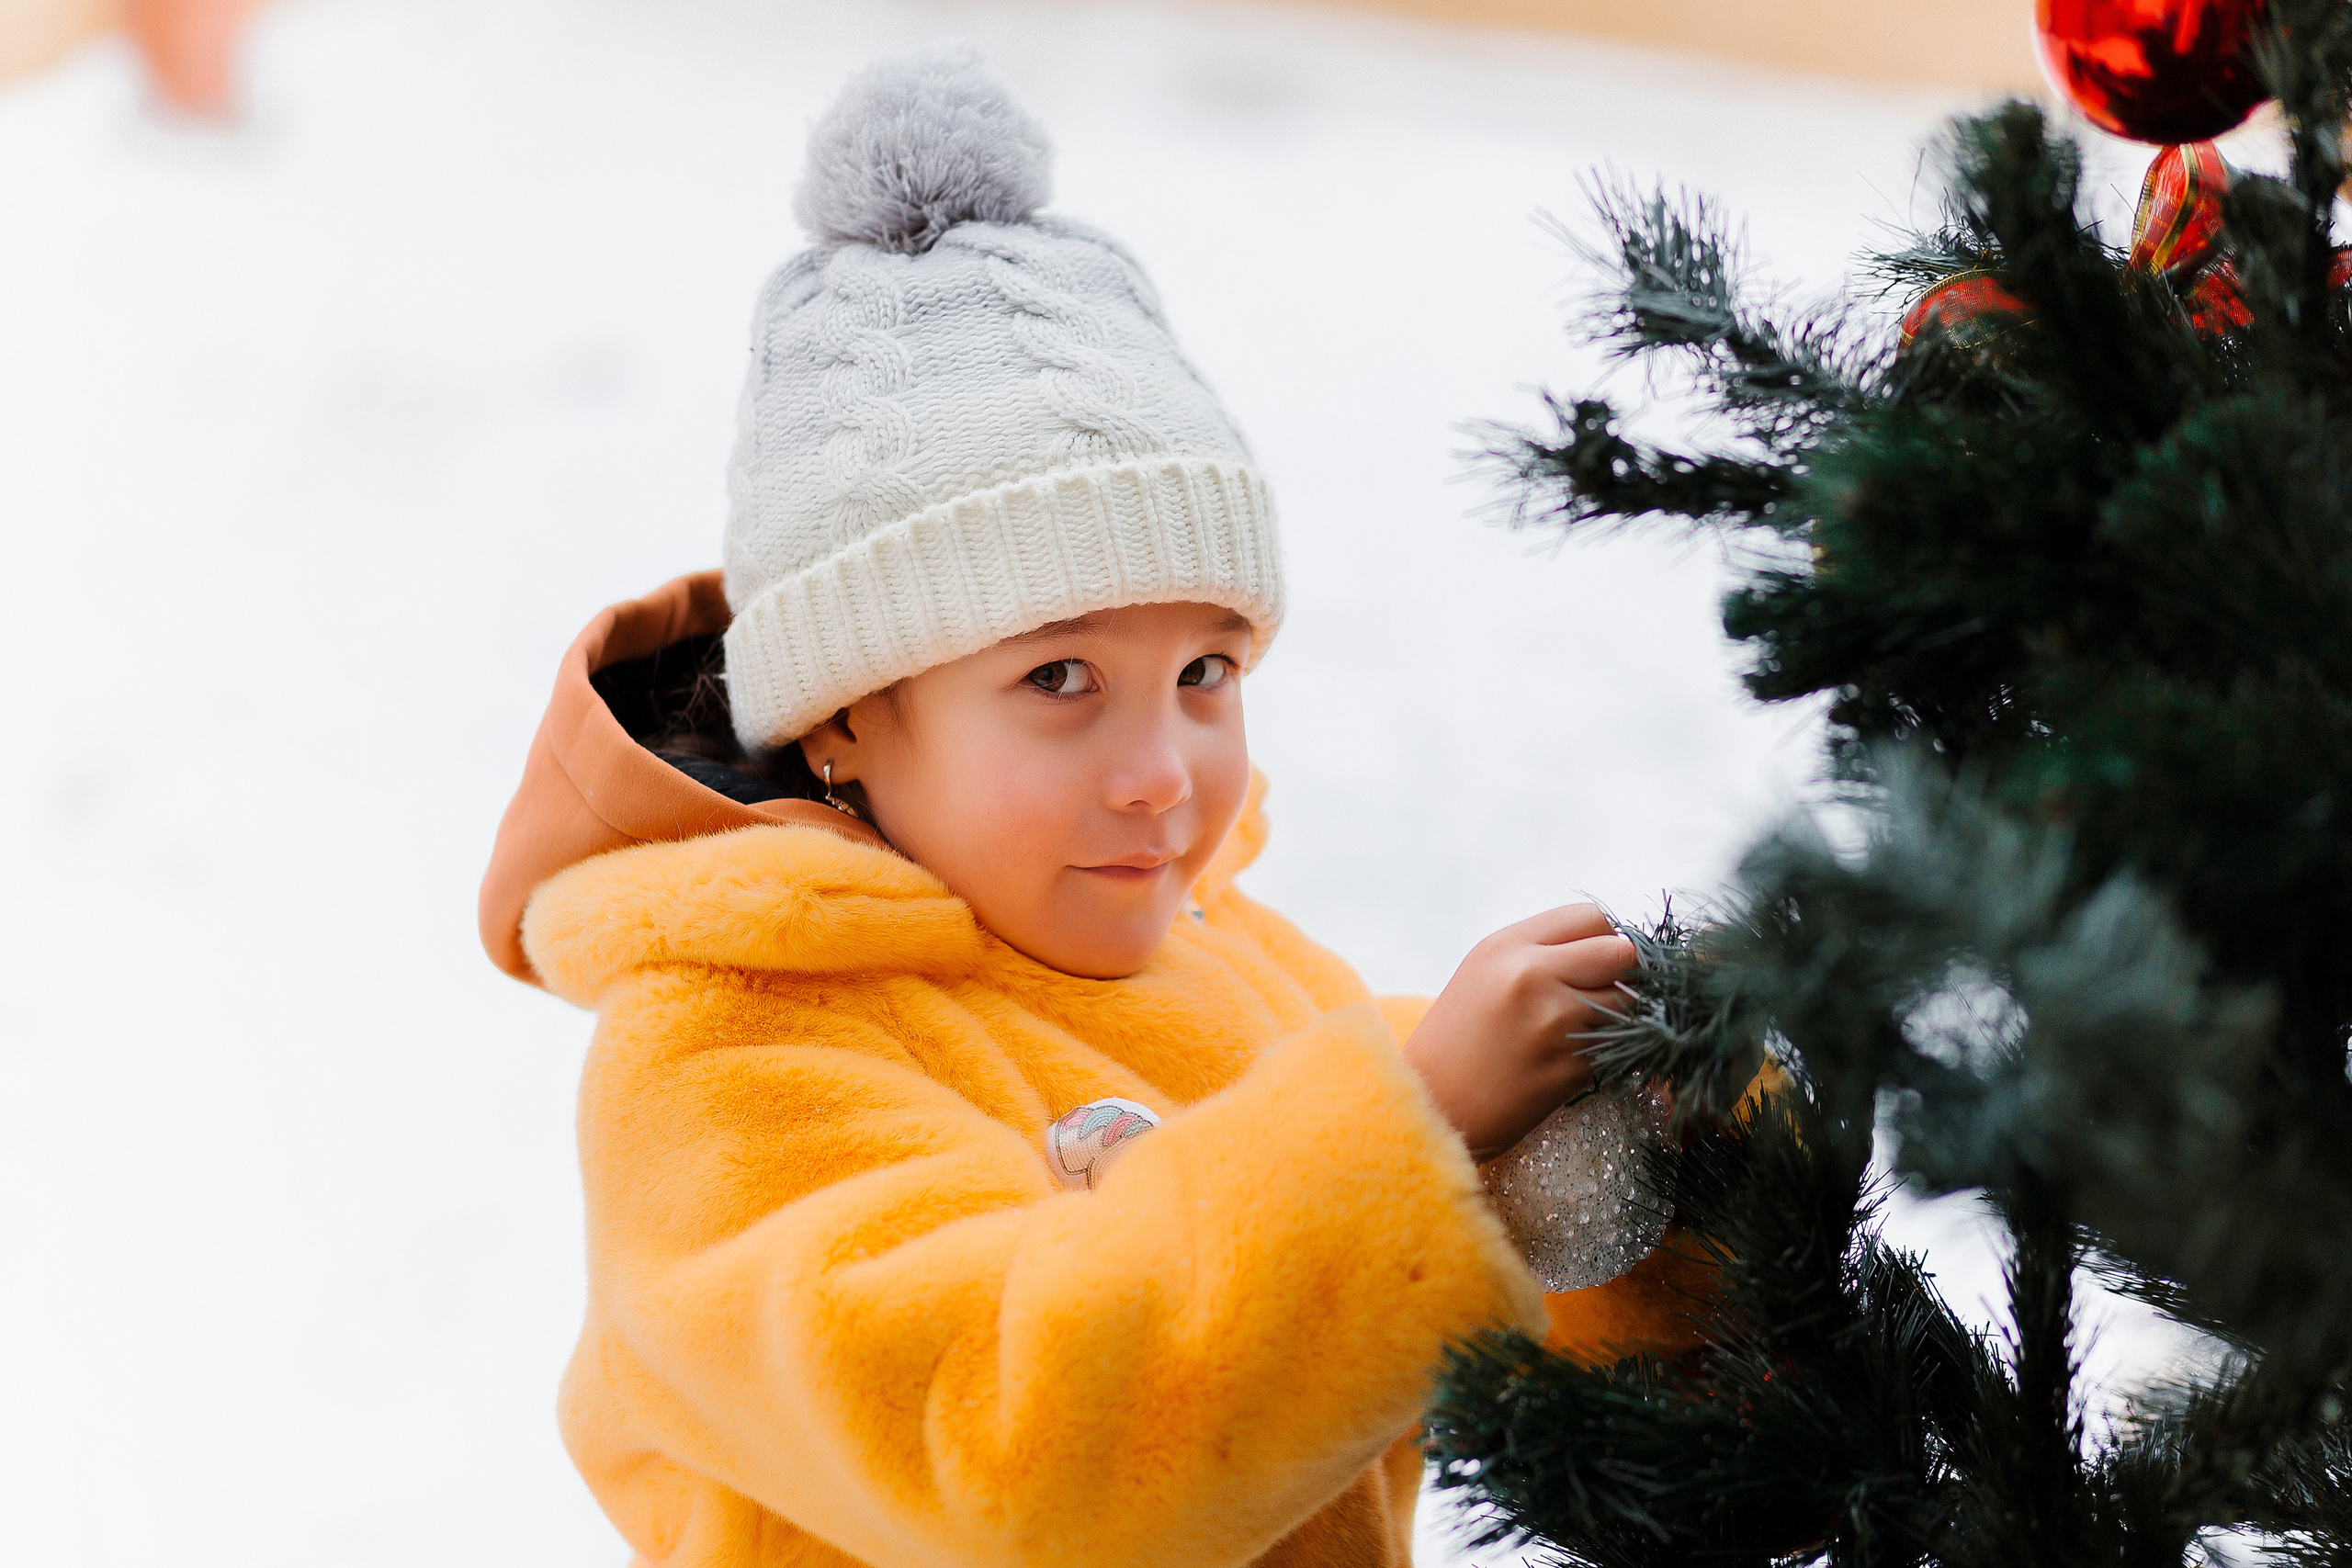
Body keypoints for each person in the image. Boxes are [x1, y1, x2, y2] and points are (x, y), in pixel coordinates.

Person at [479, 43, 1713, 1568]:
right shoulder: (727, 1060)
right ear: (851, 720)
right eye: (1060, 680)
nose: (1164, 771)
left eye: (1204, 669)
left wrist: (1682, 1141)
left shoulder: (1242, 981)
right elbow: (1009, 1464)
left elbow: (1508, 1317)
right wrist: (1420, 1132)